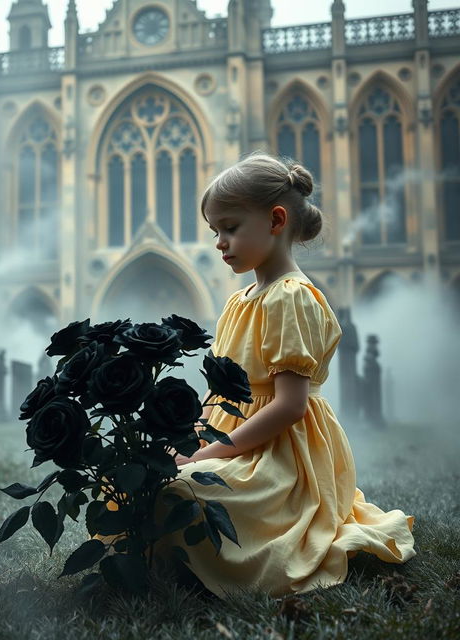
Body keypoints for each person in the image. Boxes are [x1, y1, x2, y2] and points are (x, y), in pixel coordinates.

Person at [152, 151, 416, 598]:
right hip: (232, 439)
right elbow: (221, 396)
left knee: (182, 492)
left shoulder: (290, 299)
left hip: (279, 458)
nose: (219, 242)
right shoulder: (240, 301)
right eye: (215, 231)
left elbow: (289, 407)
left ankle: (216, 559)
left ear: (276, 220)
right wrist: (187, 441)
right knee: (149, 474)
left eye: (230, 228)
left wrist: (204, 457)